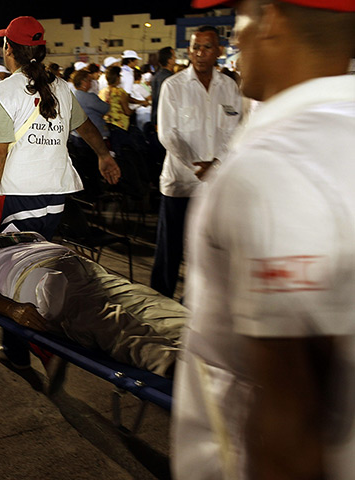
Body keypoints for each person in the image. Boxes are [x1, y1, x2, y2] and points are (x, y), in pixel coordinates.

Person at [171, 1, 355, 478]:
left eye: (239, 22)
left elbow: (291, 422)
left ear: (271, 20)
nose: (235, 40)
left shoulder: (277, 169)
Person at [0, 15, 121, 369]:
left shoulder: (5, 92)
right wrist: (104, 155)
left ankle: (30, 350)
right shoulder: (60, 86)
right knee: (38, 269)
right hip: (54, 196)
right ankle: (40, 342)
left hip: (18, 196)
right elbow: (85, 127)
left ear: (9, 49)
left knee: (10, 277)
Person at [0, 224, 182, 378]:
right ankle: (176, 366)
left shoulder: (11, 233)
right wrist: (12, 309)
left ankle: (198, 335)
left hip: (81, 266)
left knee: (145, 302)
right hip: (38, 276)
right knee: (102, 320)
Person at [149, 25, 241, 299]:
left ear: (219, 51)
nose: (200, 53)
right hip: (180, 183)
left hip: (216, 185)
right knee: (170, 249)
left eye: (207, 47)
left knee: (208, 251)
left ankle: (195, 303)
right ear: (188, 51)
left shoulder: (229, 87)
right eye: (195, 47)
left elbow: (236, 130)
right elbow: (168, 134)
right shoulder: (174, 86)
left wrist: (217, 163)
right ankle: (159, 303)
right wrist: (197, 165)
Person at [150, 46, 176, 129]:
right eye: (174, 56)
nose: (176, 58)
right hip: (167, 120)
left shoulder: (155, 76)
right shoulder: (170, 79)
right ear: (169, 60)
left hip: (156, 118)